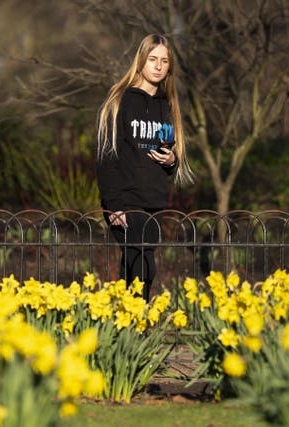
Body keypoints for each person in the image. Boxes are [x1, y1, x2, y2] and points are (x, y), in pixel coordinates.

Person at [95, 34, 193, 302]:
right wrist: (114, 205)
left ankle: (123, 325)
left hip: (154, 200)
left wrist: (172, 160)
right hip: (125, 200)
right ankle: (137, 323)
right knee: (143, 266)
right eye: (153, 59)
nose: (159, 66)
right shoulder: (120, 100)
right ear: (141, 60)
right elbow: (105, 158)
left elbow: (172, 156)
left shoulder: (166, 105)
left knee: (136, 265)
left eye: (164, 61)